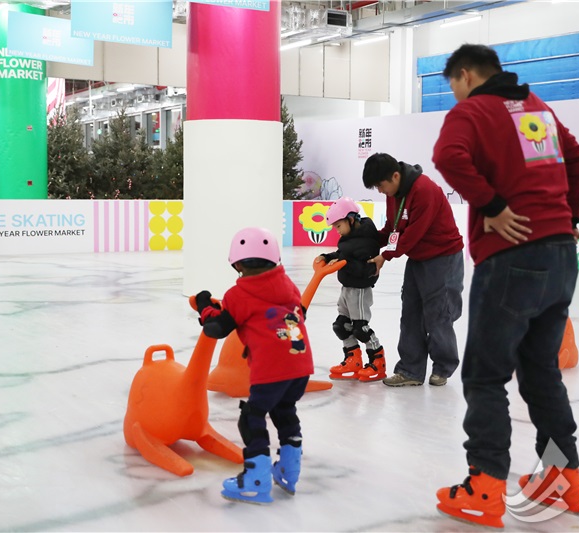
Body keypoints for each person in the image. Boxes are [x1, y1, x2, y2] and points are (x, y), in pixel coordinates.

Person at [431, 44, 579, 528]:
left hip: (512, 258)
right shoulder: (537, 109)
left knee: (484, 374)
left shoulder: (473, 110)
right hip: (562, 255)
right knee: (541, 370)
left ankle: (484, 485)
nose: (454, 96)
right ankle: (562, 480)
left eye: (453, 86)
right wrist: (568, 216)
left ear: (465, 75)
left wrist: (494, 206)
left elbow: (447, 156)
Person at [194, 227, 313, 504]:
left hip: (271, 368)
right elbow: (300, 314)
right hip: (301, 363)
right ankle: (288, 469)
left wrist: (203, 307)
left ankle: (257, 478)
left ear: (237, 264)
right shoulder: (289, 286)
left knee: (252, 416)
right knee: (285, 410)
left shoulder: (239, 295)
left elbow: (215, 328)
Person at [362, 153, 464, 387]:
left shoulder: (424, 190)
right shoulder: (393, 192)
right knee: (410, 314)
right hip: (418, 258)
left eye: (381, 185)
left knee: (438, 314)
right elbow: (392, 227)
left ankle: (443, 367)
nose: (380, 191)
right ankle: (410, 370)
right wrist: (366, 241)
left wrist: (384, 256)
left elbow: (412, 235)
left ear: (395, 175)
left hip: (443, 257)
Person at [316, 197, 386, 383]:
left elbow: (366, 270)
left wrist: (342, 264)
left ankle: (377, 360)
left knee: (360, 329)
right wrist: (326, 256)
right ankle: (353, 359)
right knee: (340, 325)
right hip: (346, 288)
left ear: (351, 219)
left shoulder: (367, 242)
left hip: (360, 291)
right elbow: (342, 254)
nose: (336, 230)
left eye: (338, 226)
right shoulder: (349, 239)